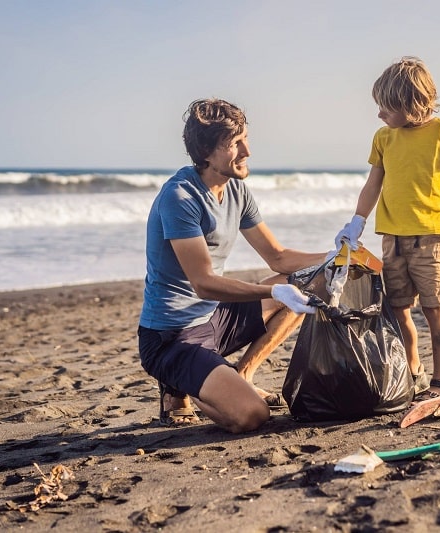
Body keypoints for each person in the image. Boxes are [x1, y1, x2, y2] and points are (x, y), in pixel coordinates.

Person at [138, 98, 327, 433]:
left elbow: (278, 257)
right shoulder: (180, 197)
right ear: (207, 151)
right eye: (235, 144)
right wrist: (274, 290)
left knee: (310, 282)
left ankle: (241, 374)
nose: (247, 151)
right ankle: (181, 384)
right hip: (171, 338)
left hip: (214, 320)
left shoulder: (237, 189)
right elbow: (204, 283)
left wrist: (337, 256)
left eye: (246, 139)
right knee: (251, 415)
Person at [334, 56, 440, 426]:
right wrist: (357, 221)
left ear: (411, 104)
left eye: (385, 106)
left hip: (432, 238)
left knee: (434, 309)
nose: (379, 114)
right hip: (393, 239)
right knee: (399, 309)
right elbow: (374, 182)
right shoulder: (383, 137)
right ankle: (415, 372)